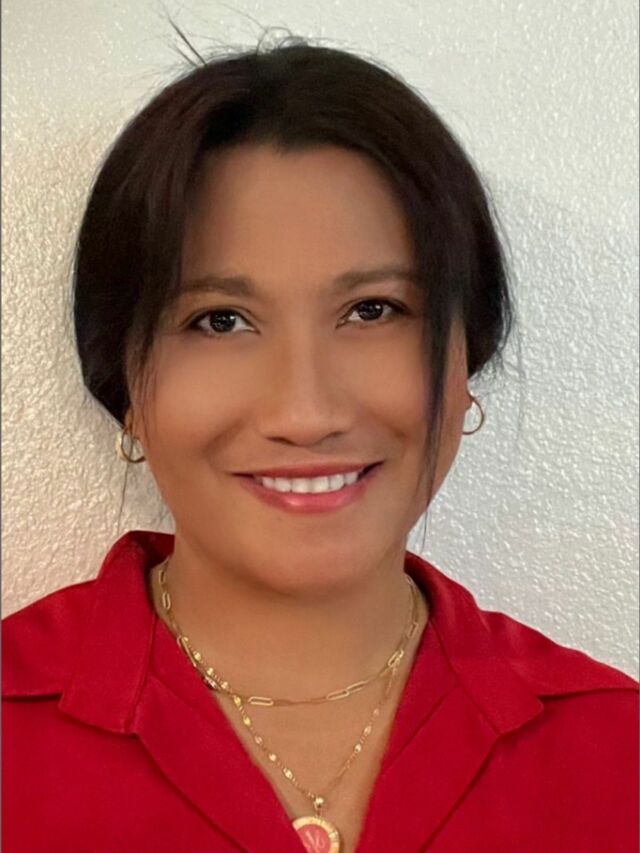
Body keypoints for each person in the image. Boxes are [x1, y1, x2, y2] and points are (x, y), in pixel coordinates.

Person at [3, 36, 638, 853]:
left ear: (464, 361)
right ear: (124, 382)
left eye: (373, 310)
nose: (305, 413)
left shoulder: (614, 750)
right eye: (220, 321)